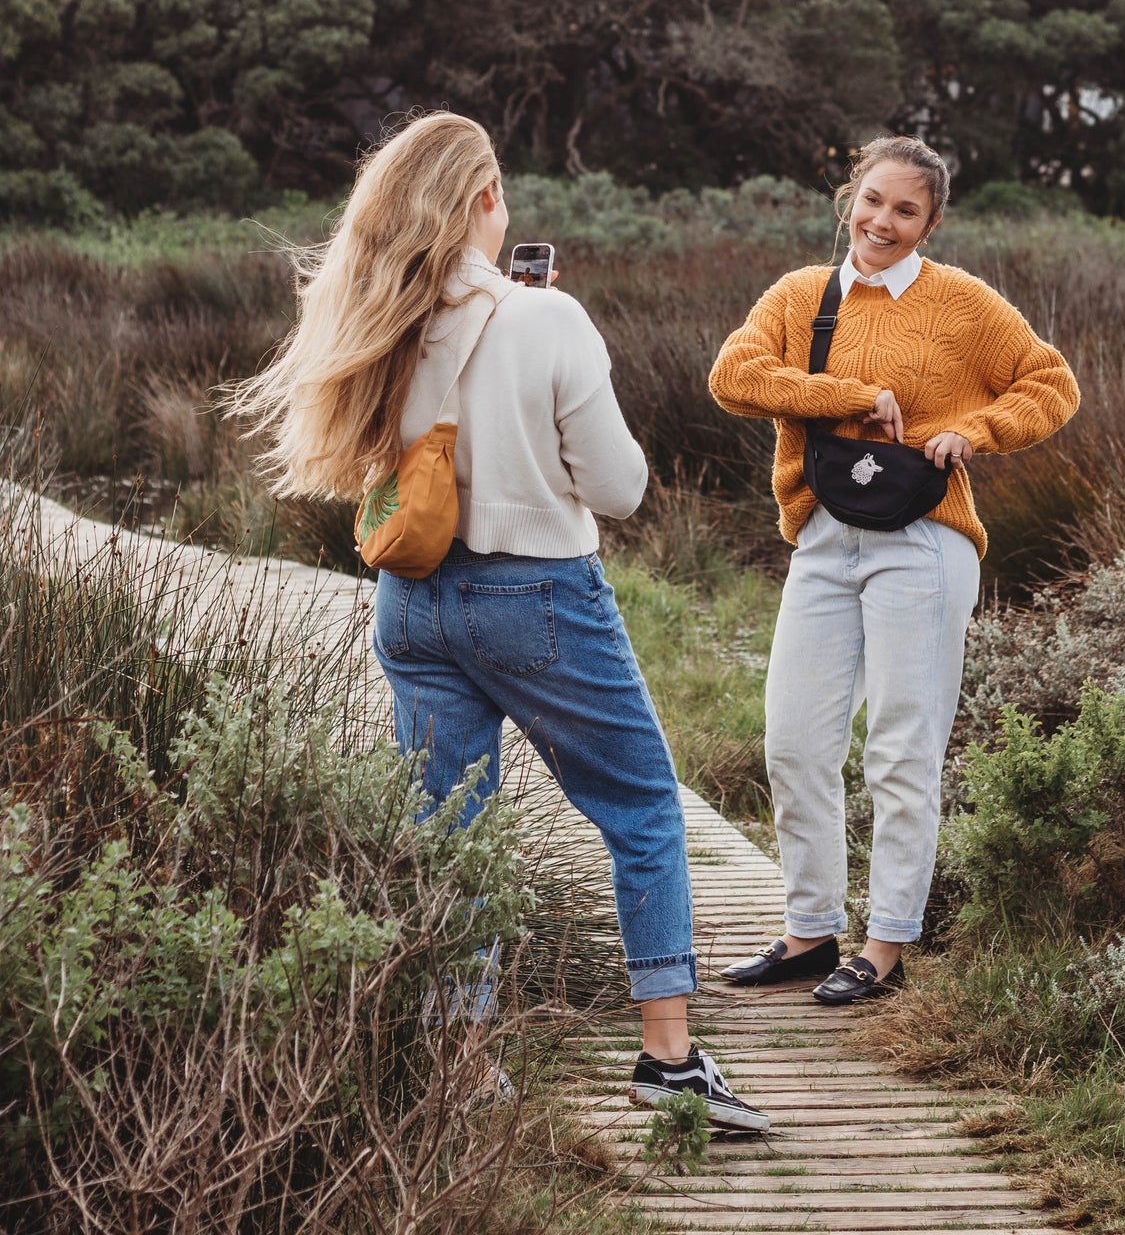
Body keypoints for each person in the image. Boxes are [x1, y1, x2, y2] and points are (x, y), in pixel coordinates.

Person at [227, 111, 766, 1133]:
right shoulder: (544, 318)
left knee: (449, 831)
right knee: (645, 808)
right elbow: (619, 487)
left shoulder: (374, 318)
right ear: (480, 202)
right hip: (536, 598)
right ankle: (667, 1059)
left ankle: (460, 1062)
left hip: (411, 598)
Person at [708, 136, 1079, 1006]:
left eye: (904, 210)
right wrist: (846, 395)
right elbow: (733, 375)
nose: (882, 221)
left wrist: (975, 433)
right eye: (873, 200)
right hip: (823, 538)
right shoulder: (802, 295)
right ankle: (807, 933)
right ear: (851, 196)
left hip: (924, 541)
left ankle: (884, 946)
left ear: (930, 222)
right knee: (795, 744)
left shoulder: (962, 303)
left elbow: (1049, 382)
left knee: (900, 750)